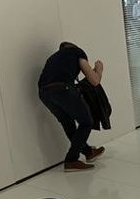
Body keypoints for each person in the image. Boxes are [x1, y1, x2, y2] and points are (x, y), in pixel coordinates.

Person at [38, 42, 105, 171]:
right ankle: (71, 160)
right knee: (86, 122)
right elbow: (94, 80)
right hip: (62, 89)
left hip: (44, 93)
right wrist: (99, 69)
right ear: (73, 47)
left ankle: (87, 152)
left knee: (68, 123)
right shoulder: (77, 52)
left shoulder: (52, 58)